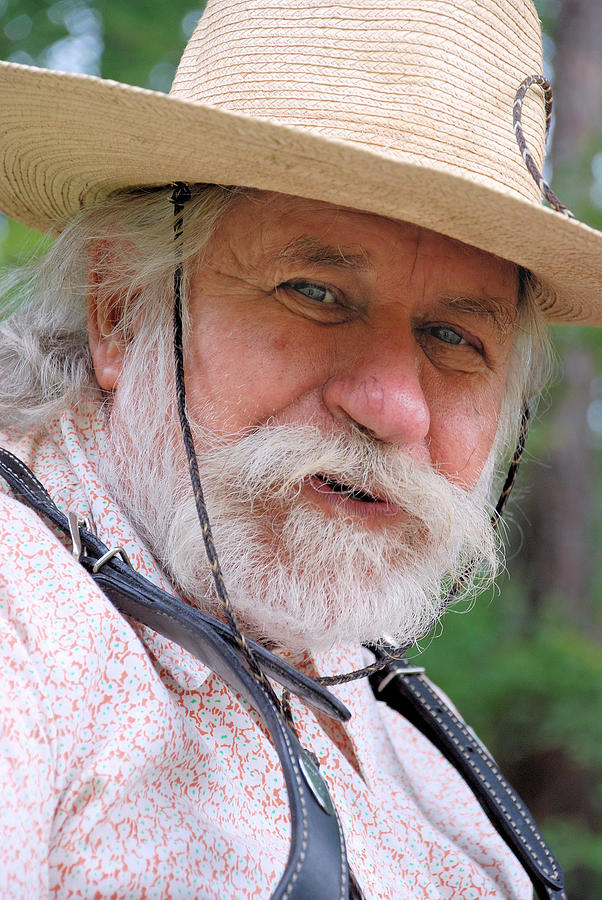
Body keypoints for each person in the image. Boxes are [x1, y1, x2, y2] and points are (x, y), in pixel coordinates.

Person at [0, 0, 599, 897]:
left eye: (453, 339)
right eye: (315, 291)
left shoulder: (374, 688)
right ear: (120, 308)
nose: (393, 407)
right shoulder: (25, 617)